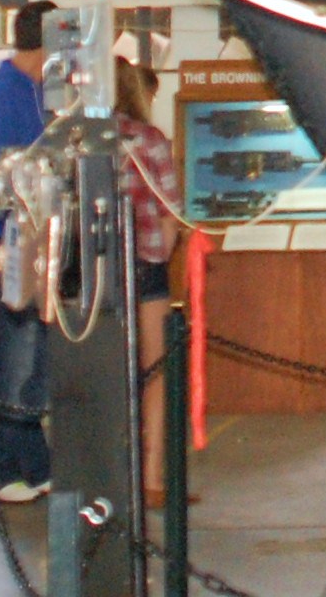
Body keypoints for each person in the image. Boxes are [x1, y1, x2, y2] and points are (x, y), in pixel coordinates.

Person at [0, 0, 54, 502]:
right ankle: (0, 467)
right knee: (16, 355)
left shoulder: (37, 92)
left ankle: (33, 463)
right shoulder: (7, 94)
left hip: (36, 237)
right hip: (12, 240)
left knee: (33, 357)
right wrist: (11, 238)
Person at [114, 59, 183, 506]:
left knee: (105, 372)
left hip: (92, 269)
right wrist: (161, 253)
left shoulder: (75, 140)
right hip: (145, 265)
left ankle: (107, 475)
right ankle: (151, 476)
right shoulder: (148, 138)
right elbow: (170, 210)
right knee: (154, 372)